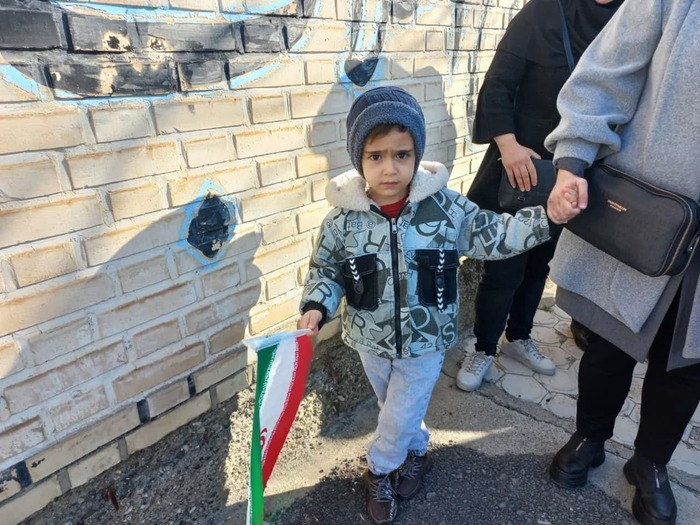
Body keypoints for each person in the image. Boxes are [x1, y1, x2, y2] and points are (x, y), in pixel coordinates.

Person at [298, 86, 551, 524]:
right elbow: (327, 269)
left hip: (427, 336)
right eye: (376, 156)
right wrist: (317, 306)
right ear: (358, 158)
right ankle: (418, 453)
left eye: (402, 154)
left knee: (401, 409)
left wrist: (549, 217)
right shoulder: (342, 220)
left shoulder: (445, 209)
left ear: (417, 153)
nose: (390, 168)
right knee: (396, 408)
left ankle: (379, 470)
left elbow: (494, 234)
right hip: (369, 337)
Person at [545, 1, 700, 524]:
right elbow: (606, 73)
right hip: (646, 214)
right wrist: (572, 161)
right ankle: (589, 437)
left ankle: (650, 463)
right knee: (609, 340)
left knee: (688, 365)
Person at [457, 0, 623, 392]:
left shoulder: (630, 21)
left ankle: (518, 337)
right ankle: (483, 347)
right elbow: (498, 85)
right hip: (522, 168)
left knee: (540, 265)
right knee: (505, 267)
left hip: (577, 174)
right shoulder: (544, 12)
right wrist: (508, 146)